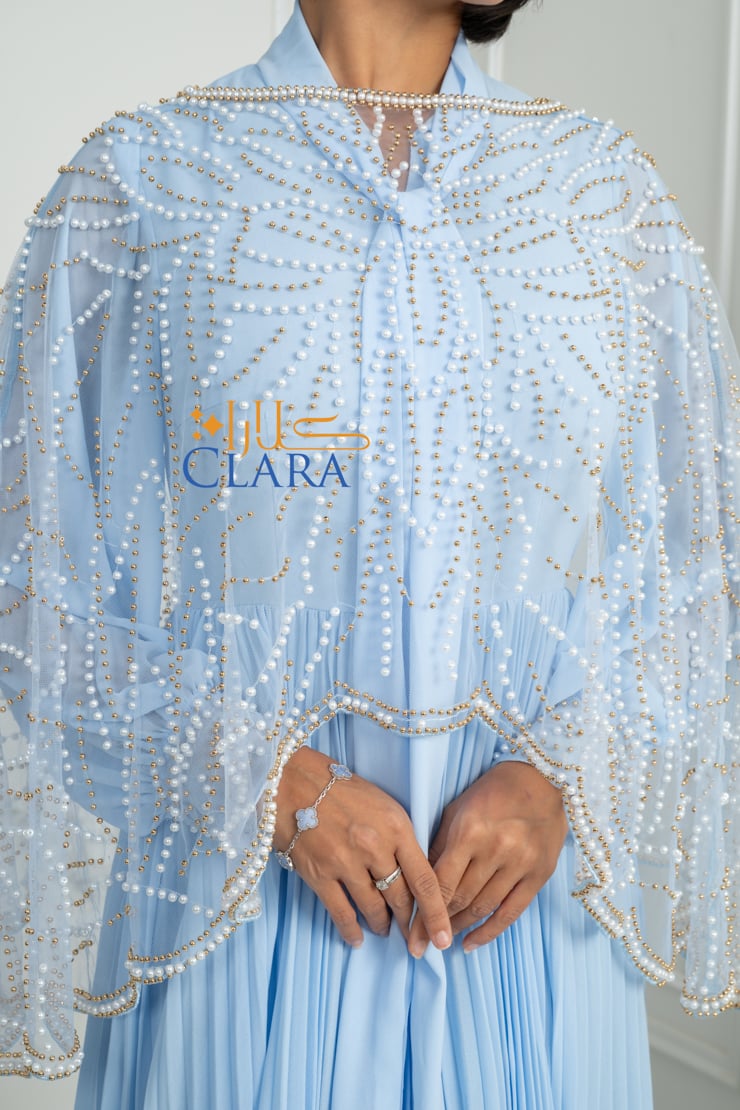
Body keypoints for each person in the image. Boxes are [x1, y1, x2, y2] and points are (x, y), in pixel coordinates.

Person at [0, 1, 737, 1107]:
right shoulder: (144, 183)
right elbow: (26, 586)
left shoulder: (599, 194)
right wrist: (268, 783)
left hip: (526, 937)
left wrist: (559, 778)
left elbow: (698, 579)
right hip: (248, 930)